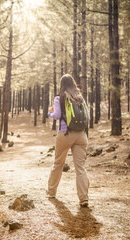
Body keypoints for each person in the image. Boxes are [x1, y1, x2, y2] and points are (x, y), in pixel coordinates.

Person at [47, 74, 90, 207]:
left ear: (62, 84)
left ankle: (51, 192)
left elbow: (58, 115)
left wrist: (50, 113)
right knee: (80, 168)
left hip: (65, 134)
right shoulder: (80, 97)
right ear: (73, 83)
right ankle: (84, 198)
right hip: (81, 135)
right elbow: (87, 115)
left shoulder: (59, 97)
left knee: (58, 163)